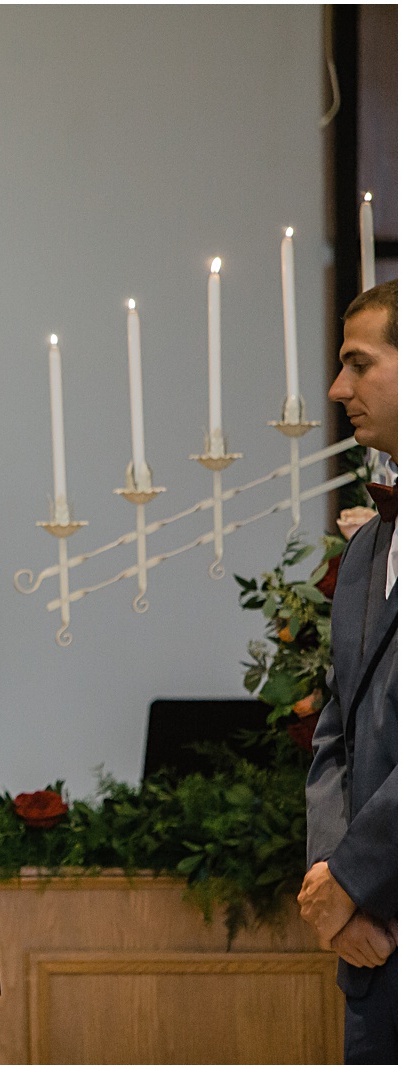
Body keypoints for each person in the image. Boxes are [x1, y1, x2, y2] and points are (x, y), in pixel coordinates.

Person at [301, 279, 398, 1065]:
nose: (338, 390)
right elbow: (334, 732)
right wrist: (335, 889)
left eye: (358, 363)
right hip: (369, 948)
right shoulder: (368, 549)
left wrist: (356, 876)